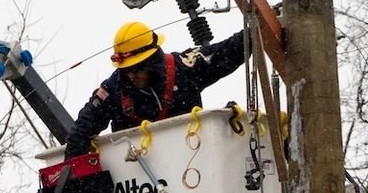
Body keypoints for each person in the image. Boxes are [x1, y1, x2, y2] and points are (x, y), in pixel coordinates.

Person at [61, 21, 249, 159]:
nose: (132, 76)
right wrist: (70, 171)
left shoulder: (184, 69)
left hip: (191, 162)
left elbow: (228, 50)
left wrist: (257, 27)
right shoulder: (114, 87)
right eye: (126, 70)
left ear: (152, 62)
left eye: (137, 69)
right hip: (138, 177)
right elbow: (84, 126)